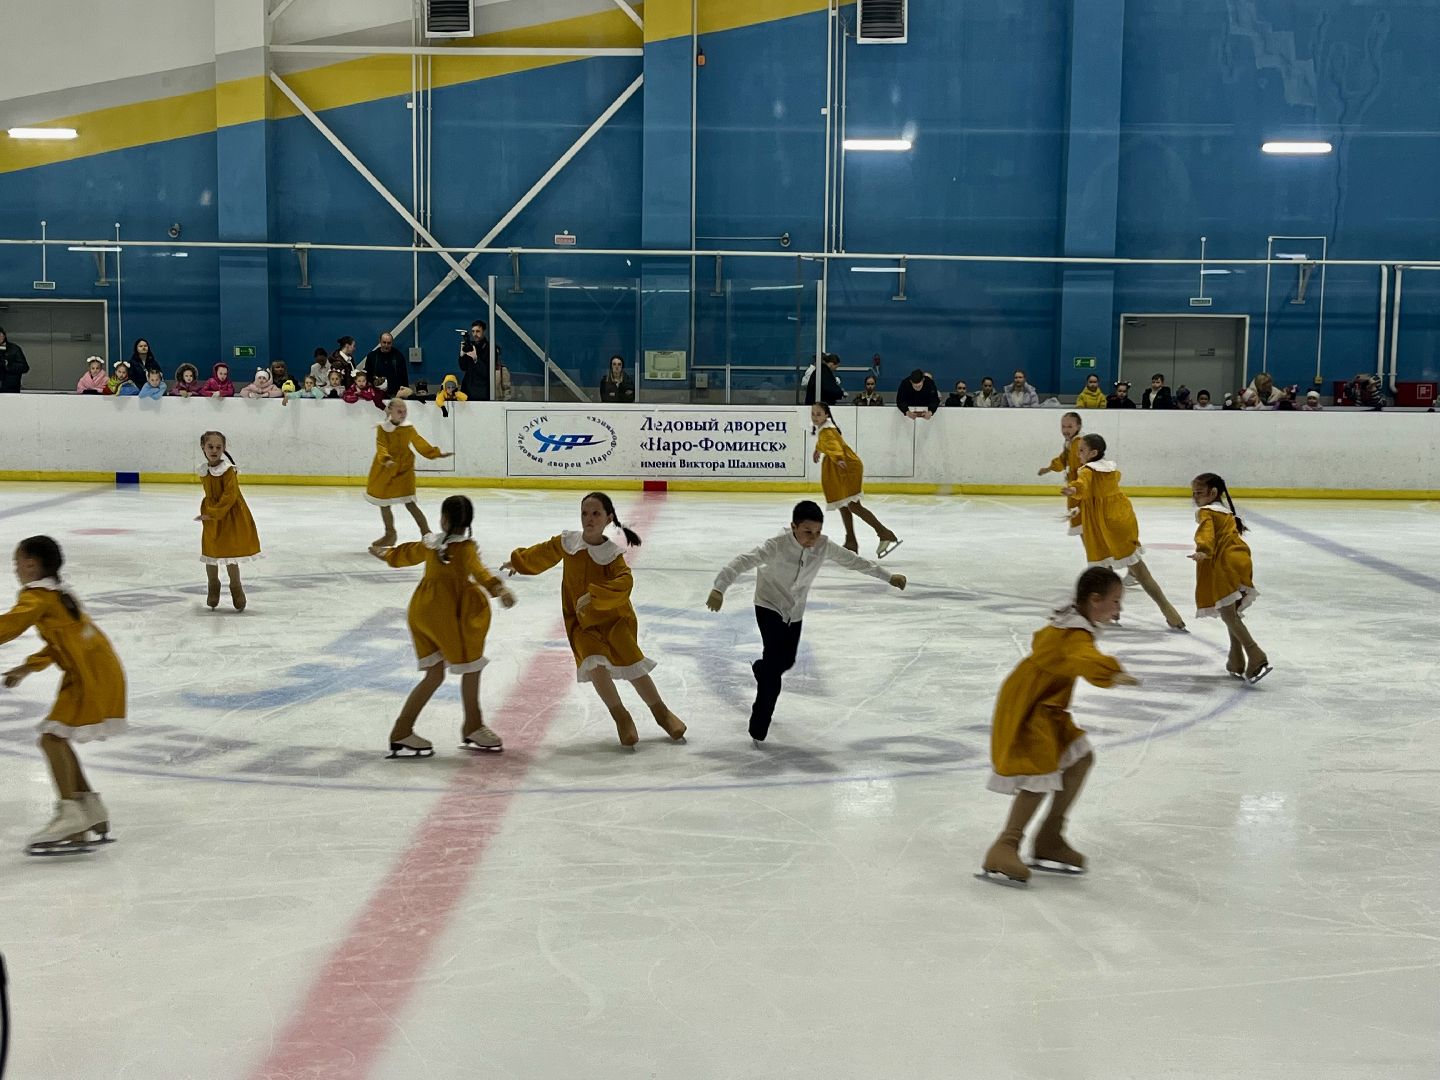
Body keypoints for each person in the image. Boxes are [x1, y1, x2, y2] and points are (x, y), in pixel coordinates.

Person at [978, 566, 1138, 886]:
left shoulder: (1074, 621)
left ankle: (1050, 837)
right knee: (1038, 774)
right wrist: (1111, 672)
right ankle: (1004, 846)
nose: (1119, 609)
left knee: (1080, 759)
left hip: (1046, 704)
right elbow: (1081, 656)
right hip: (1030, 706)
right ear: (1094, 600)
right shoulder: (1073, 634)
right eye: (1116, 601)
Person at [706, 500, 906, 743]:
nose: (813, 537)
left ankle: (762, 670)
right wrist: (719, 588)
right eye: (807, 532)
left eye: (817, 532)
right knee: (774, 671)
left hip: (795, 611)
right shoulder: (776, 545)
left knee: (785, 662)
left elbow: (854, 561)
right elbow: (742, 561)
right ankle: (759, 722)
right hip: (768, 605)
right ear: (793, 527)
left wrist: (888, 577)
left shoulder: (823, 546)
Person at [502, 492, 686, 748]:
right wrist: (518, 562)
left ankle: (661, 713)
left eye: (595, 514)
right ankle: (621, 716)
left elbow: (625, 582)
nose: (589, 519)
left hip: (614, 619)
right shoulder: (569, 542)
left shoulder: (611, 553)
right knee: (594, 664)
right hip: (581, 622)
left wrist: (595, 595)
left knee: (633, 664)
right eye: (585, 513)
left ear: (608, 518)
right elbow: (542, 553)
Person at [0, 536, 127, 855]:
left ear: (31, 564)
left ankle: (70, 813)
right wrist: (27, 668)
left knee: (51, 739)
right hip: (95, 669)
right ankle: (90, 812)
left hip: (90, 675)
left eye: (18, 561)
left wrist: (28, 666)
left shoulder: (39, 596)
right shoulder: (60, 593)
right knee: (58, 736)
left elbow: (9, 626)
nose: (15, 567)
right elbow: (64, 642)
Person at [371, 495, 515, 758]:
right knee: (471, 667)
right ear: (468, 522)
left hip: (422, 611)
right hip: (451, 615)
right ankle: (473, 724)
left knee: (435, 674)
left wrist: (386, 555)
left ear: (444, 519)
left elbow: (406, 554)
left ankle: (402, 730)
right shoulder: (466, 548)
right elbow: (481, 573)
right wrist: (500, 588)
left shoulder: (431, 544)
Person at [1062, 433, 1186, 631]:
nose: (1078, 455)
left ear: (1093, 453)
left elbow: (1083, 485)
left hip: (1103, 524)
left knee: (1103, 570)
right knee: (1139, 570)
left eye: (1082, 451)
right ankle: (1168, 610)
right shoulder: (1109, 469)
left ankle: (1111, 610)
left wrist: (1073, 490)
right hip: (1119, 518)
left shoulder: (1087, 471)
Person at [1190, 473, 1270, 684]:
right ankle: (1236, 660)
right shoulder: (1226, 513)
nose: (1195, 498)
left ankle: (1255, 654)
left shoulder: (1207, 512)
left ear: (1213, 493)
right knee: (1231, 612)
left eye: (1199, 493)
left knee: (1228, 614)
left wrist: (1203, 550)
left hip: (1224, 563)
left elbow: (1206, 534)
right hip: (1240, 559)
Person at [811, 402, 902, 558]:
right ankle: (851, 541)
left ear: (826, 415)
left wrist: (839, 459)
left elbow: (833, 444)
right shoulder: (826, 428)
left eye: (818, 414)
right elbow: (827, 442)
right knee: (843, 504)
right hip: (840, 467)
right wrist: (818, 449)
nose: (815, 417)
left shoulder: (827, 430)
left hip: (846, 467)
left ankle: (884, 533)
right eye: (813, 414)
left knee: (853, 505)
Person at [366, 398, 452, 549]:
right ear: (390, 411)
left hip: (404, 468)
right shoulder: (383, 429)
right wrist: (386, 460)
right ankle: (390, 534)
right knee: (384, 504)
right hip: (385, 468)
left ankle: (426, 534)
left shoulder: (408, 428)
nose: (403, 413)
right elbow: (381, 446)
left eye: (405, 411)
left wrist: (435, 453)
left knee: (410, 503)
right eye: (399, 411)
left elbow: (419, 442)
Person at [195, 431, 261, 612]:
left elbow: (229, 496)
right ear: (203, 447)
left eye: (218, 447)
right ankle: (213, 586)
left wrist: (214, 513)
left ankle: (236, 587)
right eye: (210, 447)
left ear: (224, 449)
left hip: (230, 515)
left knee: (230, 554)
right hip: (211, 515)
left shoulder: (228, 470)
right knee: (210, 553)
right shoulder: (204, 470)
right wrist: (208, 514)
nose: (214, 450)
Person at [1037, 411, 1084, 537]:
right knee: (1081, 526)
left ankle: (1096, 555)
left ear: (1078, 427)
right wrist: (1048, 468)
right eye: (1063, 426)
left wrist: (1077, 487)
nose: (1065, 430)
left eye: (1070, 426)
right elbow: (1063, 459)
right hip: (1074, 489)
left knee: (1084, 525)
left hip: (1079, 490)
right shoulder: (1070, 442)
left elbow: (1083, 467)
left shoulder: (1078, 443)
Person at [361, 333, 408, 398]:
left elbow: (404, 376)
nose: (386, 345)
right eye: (384, 342)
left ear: (392, 343)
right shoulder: (372, 356)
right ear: (379, 341)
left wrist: (405, 393)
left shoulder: (399, 356)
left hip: (394, 395)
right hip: (375, 394)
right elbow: (367, 375)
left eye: (389, 343)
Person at [458, 320, 493, 400]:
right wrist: (462, 355)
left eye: (478, 331)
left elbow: (487, 373)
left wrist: (476, 359)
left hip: (482, 393)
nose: (475, 334)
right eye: (473, 331)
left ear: (484, 331)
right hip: (467, 390)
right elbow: (463, 367)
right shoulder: (470, 346)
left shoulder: (490, 348)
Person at [0, 326, 28, 393]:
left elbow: (25, 367)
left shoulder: (14, 349)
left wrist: (9, 365)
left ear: (4, 336)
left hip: (10, 388)